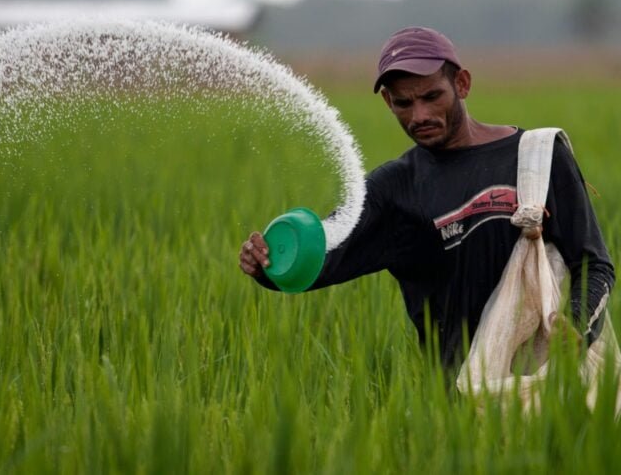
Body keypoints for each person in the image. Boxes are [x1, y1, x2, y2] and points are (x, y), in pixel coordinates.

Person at [238, 26, 615, 366]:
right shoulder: (396, 189)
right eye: (403, 103)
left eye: (432, 96)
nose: (419, 115)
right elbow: (324, 256)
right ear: (388, 102)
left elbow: (593, 263)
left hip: (547, 380)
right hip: (460, 398)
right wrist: (268, 265)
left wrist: (575, 327)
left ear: (462, 84)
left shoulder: (537, 155)